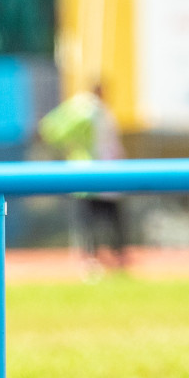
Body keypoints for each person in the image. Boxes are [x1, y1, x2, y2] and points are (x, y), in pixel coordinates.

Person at [38, 84, 126, 271]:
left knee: (96, 218)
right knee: (99, 218)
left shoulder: (90, 110)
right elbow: (51, 129)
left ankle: (99, 256)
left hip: (93, 172)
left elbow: (50, 129)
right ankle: (104, 256)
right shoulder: (88, 111)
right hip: (95, 172)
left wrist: (66, 146)